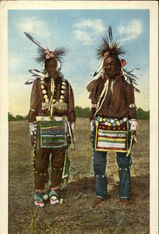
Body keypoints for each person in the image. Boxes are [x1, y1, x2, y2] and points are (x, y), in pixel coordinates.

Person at [87, 26, 139, 207]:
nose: (108, 67)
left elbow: (132, 107)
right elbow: (93, 108)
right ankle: (101, 194)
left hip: (121, 128)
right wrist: (92, 125)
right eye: (106, 64)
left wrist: (133, 127)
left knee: (124, 164)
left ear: (118, 66)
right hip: (101, 128)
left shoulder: (126, 85)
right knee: (99, 164)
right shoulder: (97, 85)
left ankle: (124, 195)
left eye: (112, 65)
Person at [24, 33, 76, 208]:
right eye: (49, 65)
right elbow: (32, 109)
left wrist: (71, 133)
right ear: (45, 66)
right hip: (42, 128)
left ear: (58, 66)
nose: (52, 67)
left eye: (54, 64)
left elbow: (71, 111)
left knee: (58, 162)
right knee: (40, 161)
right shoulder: (38, 84)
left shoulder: (66, 85)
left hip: (60, 129)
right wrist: (32, 131)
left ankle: (55, 189)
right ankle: (39, 191)